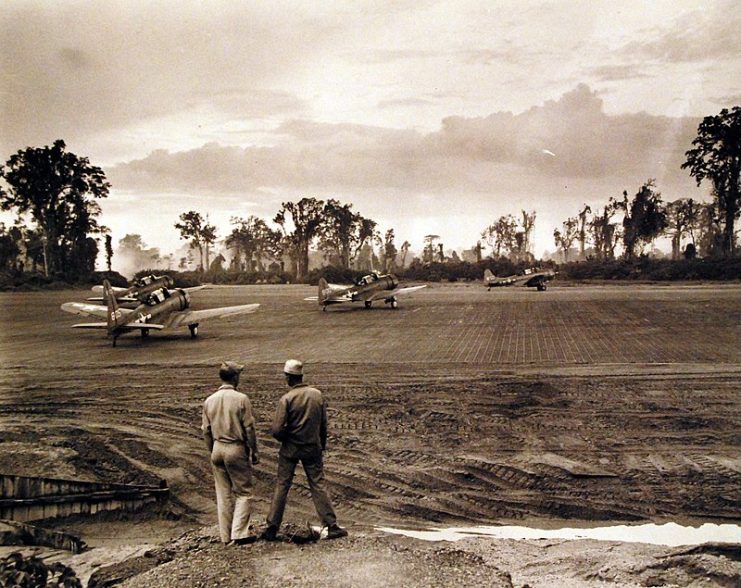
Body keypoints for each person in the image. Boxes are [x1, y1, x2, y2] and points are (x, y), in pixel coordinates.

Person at [262, 359, 347, 541]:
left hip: (290, 449)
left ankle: (272, 527)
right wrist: (321, 444)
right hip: (312, 447)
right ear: (301, 375)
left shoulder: (287, 399)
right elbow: (323, 424)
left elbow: (277, 429)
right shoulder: (317, 395)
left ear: (288, 377)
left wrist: (287, 439)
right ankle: (331, 525)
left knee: (282, 485)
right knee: (317, 484)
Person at [202, 361, 259, 545]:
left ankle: (225, 536)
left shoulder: (209, 400)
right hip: (235, 447)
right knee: (244, 493)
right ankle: (239, 533)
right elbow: (249, 428)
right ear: (235, 377)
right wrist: (254, 450)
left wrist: (212, 451)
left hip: (217, 447)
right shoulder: (241, 399)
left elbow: (206, 430)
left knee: (223, 494)